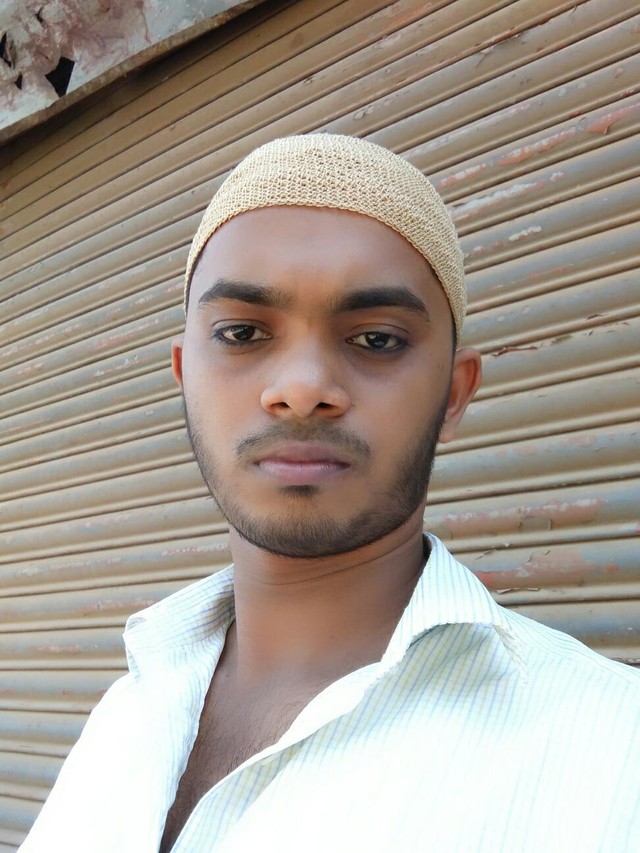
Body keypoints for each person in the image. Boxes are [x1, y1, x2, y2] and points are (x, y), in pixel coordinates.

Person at [20, 134, 640, 853]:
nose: (302, 387)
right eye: (243, 332)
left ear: (453, 392)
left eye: (376, 339)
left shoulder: (612, 754)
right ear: (186, 375)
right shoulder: (124, 714)